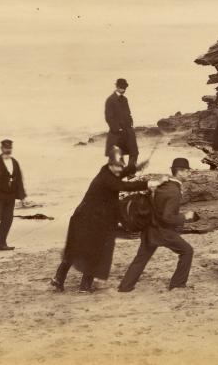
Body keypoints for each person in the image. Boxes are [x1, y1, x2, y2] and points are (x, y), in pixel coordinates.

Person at [51, 152, 149, 293]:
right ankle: (83, 287)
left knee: (75, 250)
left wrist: (137, 167)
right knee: (95, 252)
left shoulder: (106, 171)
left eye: (121, 166)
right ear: (110, 165)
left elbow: (121, 173)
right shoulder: (107, 179)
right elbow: (123, 185)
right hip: (90, 220)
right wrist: (148, 184)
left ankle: (59, 280)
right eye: (118, 166)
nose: (120, 169)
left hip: (85, 218)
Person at [118, 157, 197, 292]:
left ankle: (125, 286)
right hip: (163, 231)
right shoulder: (174, 192)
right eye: (187, 171)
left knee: (141, 259)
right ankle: (177, 284)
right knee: (187, 251)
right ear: (180, 172)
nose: (189, 174)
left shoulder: (162, 185)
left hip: (149, 229)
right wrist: (186, 217)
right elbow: (167, 217)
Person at [0, 139, 26, 251]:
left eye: (10, 148)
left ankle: (1, 244)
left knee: (8, 220)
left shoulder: (14, 162)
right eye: (6, 148)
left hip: (10, 196)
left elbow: (19, 180)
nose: (8, 150)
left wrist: (22, 197)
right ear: (1, 148)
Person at [104, 78, 139, 175]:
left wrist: (131, 123)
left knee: (134, 152)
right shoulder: (110, 100)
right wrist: (117, 129)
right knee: (117, 155)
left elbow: (128, 113)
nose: (124, 90)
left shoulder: (125, 99)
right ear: (117, 87)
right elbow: (108, 117)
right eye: (122, 88)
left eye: (125, 88)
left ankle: (131, 173)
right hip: (117, 133)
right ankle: (118, 175)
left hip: (128, 130)